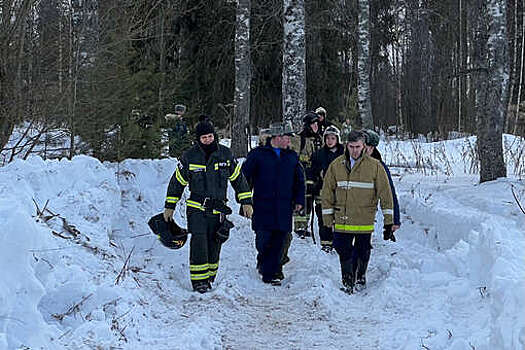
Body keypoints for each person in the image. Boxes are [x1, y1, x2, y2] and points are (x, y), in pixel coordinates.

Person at [163, 120, 253, 293]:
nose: (207, 140)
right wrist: (170, 206)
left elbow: (239, 180)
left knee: (215, 243)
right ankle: (199, 282)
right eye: (204, 137)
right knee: (199, 243)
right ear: (198, 139)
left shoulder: (226, 155)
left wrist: (246, 202)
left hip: (218, 210)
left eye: (210, 136)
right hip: (197, 209)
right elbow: (177, 183)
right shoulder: (190, 157)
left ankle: (210, 276)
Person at [321, 130, 394, 294]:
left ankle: (360, 276)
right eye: (351, 146)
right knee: (342, 248)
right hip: (342, 217)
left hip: (363, 218)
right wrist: (327, 220)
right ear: (347, 145)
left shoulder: (375, 167)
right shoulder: (336, 165)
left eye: (358, 147)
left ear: (364, 146)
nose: (354, 150)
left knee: (362, 249)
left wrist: (389, 221)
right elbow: (327, 193)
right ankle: (347, 281)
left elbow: (386, 194)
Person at [242, 121, 305, 285]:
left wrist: (299, 200)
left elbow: (299, 180)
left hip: (284, 206)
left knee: (281, 239)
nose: (290, 141)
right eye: (287, 137)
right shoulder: (257, 155)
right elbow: (244, 178)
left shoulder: (291, 156)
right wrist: (244, 200)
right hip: (263, 206)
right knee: (263, 239)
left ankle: (274, 271)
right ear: (277, 137)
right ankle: (264, 263)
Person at [310, 125, 344, 252]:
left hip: (341, 192)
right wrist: (314, 183)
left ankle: (340, 242)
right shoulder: (318, 155)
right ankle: (326, 243)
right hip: (322, 192)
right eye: (327, 138)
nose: (330, 141)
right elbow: (312, 172)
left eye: (333, 138)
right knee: (324, 218)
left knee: (341, 217)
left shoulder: (345, 154)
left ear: (337, 139)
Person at [290, 111, 323, 238]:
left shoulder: (320, 139)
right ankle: (300, 227)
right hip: (303, 176)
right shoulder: (299, 139)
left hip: (317, 176)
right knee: (304, 201)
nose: (316, 127)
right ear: (308, 125)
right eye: (313, 124)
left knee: (319, 202)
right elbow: (294, 158)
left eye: (317, 124)